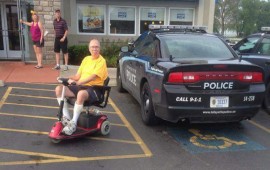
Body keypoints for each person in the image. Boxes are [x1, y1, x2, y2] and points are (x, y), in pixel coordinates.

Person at [55, 39, 108, 135]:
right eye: (92, 47)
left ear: (100, 48)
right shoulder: (86, 59)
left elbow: (92, 77)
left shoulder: (101, 61)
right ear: (89, 49)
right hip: (82, 86)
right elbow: (77, 76)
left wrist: (78, 83)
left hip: (95, 89)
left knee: (81, 94)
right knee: (59, 89)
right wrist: (66, 79)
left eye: (96, 47)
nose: (94, 49)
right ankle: (67, 119)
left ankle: (73, 124)